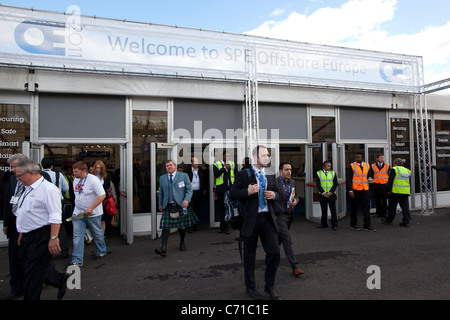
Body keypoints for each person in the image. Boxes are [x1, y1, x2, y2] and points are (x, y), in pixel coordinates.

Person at [230, 145, 281, 300]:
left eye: (268, 155)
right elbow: (232, 193)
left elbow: (278, 193)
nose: (267, 158)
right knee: (249, 256)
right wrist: (247, 191)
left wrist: (274, 194)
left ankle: (269, 286)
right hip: (250, 220)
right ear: (255, 158)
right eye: (264, 155)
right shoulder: (243, 174)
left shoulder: (271, 175)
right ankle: (251, 288)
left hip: (267, 219)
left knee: (275, 252)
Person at [14, 158, 67, 300]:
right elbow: (25, 212)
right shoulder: (27, 189)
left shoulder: (49, 190)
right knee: (32, 268)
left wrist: (54, 238)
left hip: (41, 236)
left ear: (30, 172)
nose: (18, 179)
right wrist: (22, 233)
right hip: (27, 235)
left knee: (33, 276)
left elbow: (55, 216)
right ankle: (59, 279)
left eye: (19, 176)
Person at [155, 160, 198, 256]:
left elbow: (189, 190)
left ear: (175, 166)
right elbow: (161, 192)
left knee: (181, 226)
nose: (169, 167)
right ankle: (163, 248)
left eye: (170, 165)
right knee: (165, 227)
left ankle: (182, 242)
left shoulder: (183, 176)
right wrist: (160, 204)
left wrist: (187, 200)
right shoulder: (162, 178)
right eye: (167, 166)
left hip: (180, 205)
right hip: (168, 205)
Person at [70, 161, 107, 267]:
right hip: (78, 212)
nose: (74, 174)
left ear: (83, 171)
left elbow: (102, 195)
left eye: (76, 172)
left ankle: (101, 250)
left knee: (97, 233)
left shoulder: (93, 180)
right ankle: (77, 259)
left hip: (93, 213)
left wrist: (91, 207)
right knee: (77, 235)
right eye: (73, 171)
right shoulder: (75, 180)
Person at [1, 154, 28, 300]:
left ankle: (49, 278)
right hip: (13, 223)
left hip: (29, 225)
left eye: (15, 166)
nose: (13, 170)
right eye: (11, 167)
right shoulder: (12, 180)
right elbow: (8, 202)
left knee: (28, 256)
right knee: (13, 256)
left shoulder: (36, 179)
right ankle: (16, 287)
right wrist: (6, 223)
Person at [273, 161, 303, 276]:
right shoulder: (275, 183)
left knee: (281, 237)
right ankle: (295, 266)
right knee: (287, 240)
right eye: (286, 170)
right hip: (279, 215)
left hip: (289, 215)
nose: (289, 172)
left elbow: (294, 196)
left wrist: (296, 201)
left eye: (290, 169)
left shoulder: (293, 182)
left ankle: (271, 249)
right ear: (281, 171)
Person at [41, 157, 70, 258]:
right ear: (52, 166)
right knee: (60, 227)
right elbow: (66, 188)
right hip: (58, 201)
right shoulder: (59, 175)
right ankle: (64, 250)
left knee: (45, 227)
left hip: (43, 204)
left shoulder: (38, 176)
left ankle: (47, 251)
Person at [346, 152, 375, 231]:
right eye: (356, 157)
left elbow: (368, 175)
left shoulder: (367, 165)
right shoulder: (352, 166)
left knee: (366, 208)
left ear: (362, 158)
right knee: (354, 207)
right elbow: (349, 179)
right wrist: (350, 190)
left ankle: (367, 225)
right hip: (355, 189)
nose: (357, 159)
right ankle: (353, 224)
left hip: (364, 189)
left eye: (359, 157)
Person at [382, 158, 412, 227]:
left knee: (392, 207)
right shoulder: (407, 170)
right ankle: (406, 221)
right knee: (405, 208)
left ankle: (389, 219)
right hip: (405, 192)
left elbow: (390, 181)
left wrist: (388, 190)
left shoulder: (394, 169)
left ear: (395, 163)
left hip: (395, 191)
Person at [214, 150, 235, 234]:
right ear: (223, 156)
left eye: (228, 156)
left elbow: (234, 175)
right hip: (221, 190)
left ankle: (227, 226)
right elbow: (216, 175)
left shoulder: (232, 164)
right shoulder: (217, 164)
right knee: (221, 208)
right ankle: (221, 226)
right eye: (226, 156)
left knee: (228, 208)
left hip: (230, 189)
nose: (227, 158)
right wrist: (223, 168)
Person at [93, 160, 116, 237]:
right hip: (94, 200)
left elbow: (109, 188)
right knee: (95, 219)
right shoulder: (91, 177)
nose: (98, 169)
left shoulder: (107, 176)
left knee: (103, 219)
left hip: (104, 201)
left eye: (100, 168)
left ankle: (101, 236)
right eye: (97, 168)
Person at [316, 160, 339, 231]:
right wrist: (323, 193)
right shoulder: (318, 173)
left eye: (330, 165)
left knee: (333, 211)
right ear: (324, 166)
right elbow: (318, 185)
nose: (330, 167)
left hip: (331, 195)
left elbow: (335, 184)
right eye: (328, 165)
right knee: (324, 210)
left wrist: (330, 192)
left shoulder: (333, 173)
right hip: (323, 195)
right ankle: (324, 224)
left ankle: (334, 225)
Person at [185, 156, 205, 232]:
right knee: (191, 209)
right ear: (191, 163)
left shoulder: (201, 170)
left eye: (197, 161)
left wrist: (204, 190)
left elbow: (204, 181)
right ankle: (190, 226)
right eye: (195, 161)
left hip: (198, 192)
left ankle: (196, 225)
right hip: (190, 193)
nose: (196, 163)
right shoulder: (187, 171)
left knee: (197, 209)